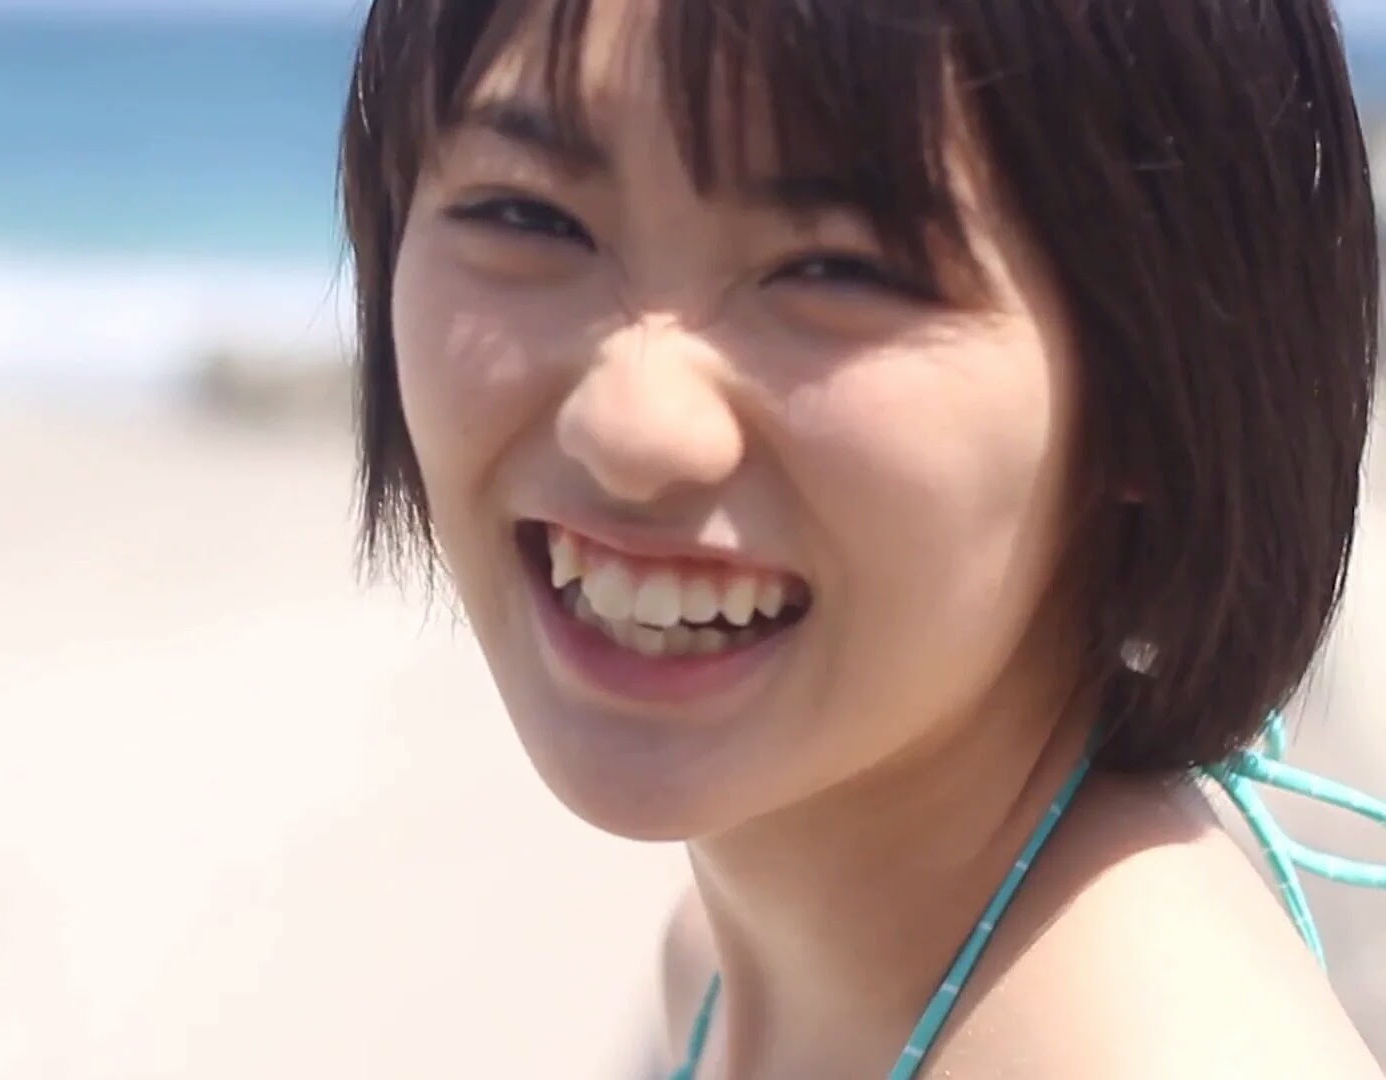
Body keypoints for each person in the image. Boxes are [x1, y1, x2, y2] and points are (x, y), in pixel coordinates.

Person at [338, 0, 1386, 1075]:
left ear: (1156, 389)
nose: (632, 428)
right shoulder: (729, 966)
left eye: (840, 270)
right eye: (526, 215)